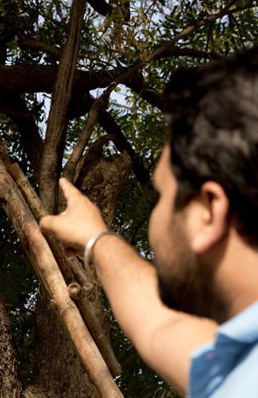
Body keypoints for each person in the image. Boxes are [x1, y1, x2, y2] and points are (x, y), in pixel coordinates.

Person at [40, 46, 258, 398]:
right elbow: (160, 325)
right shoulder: (236, 366)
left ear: (209, 213)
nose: (156, 218)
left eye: (162, 196)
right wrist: (95, 239)